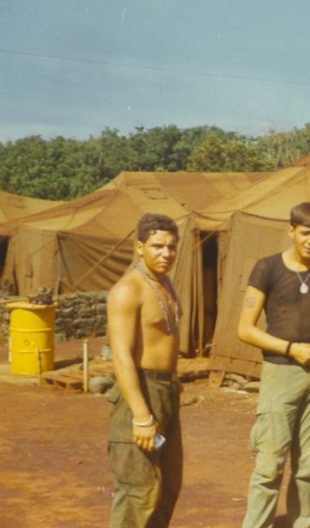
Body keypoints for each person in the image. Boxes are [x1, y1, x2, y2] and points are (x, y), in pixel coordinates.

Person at [238, 201, 310, 528]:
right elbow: (245, 329)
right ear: (291, 231)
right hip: (281, 375)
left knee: (308, 466)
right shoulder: (267, 268)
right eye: (305, 233)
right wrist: (291, 349)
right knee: (270, 464)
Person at [106, 213, 183, 527]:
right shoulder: (128, 290)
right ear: (139, 247)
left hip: (166, 391)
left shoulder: (165, 283)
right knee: (138, 491)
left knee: (167, 486)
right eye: (157, 246)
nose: (166, 253)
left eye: (171, 247)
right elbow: (121, 356)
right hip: (139, 391)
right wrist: (141, 415)